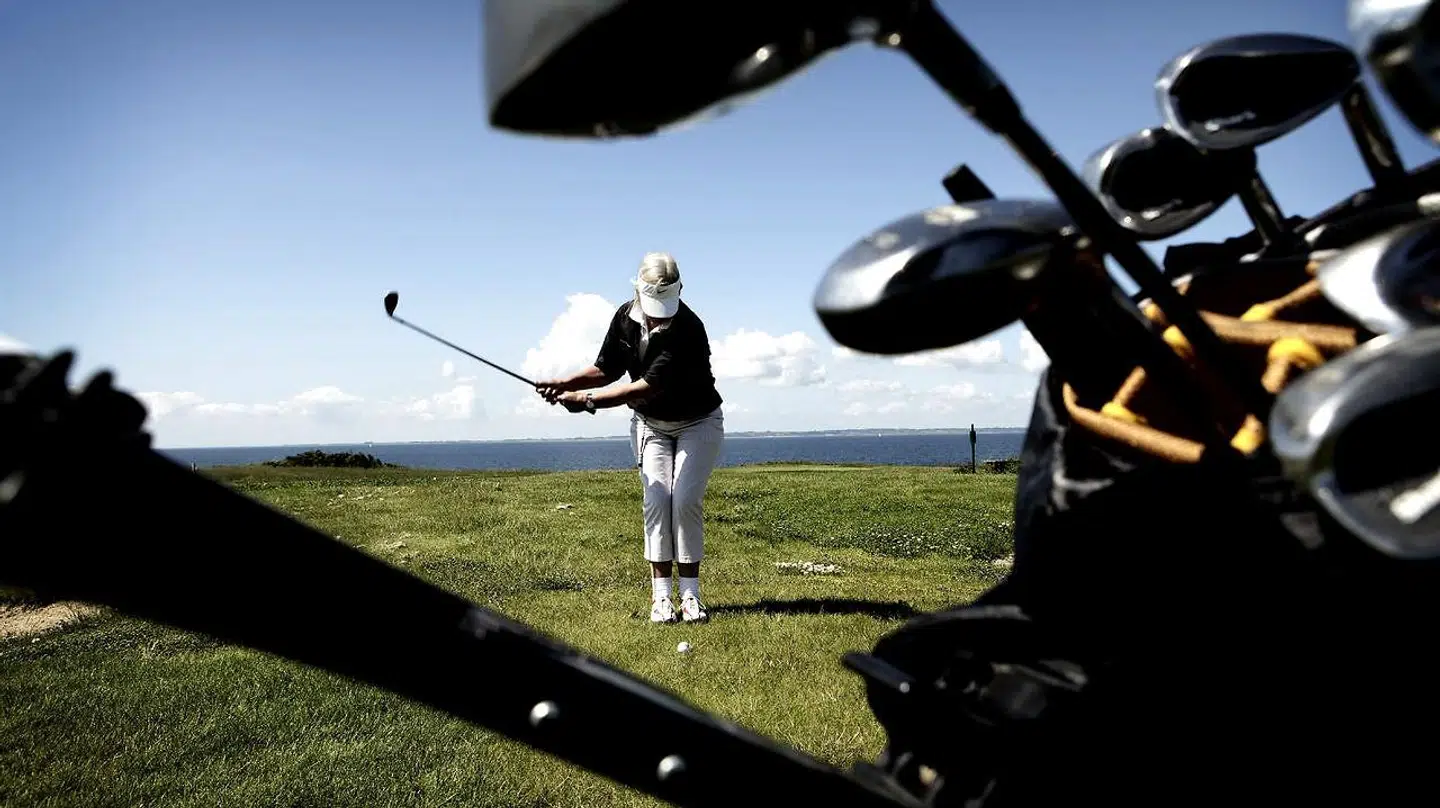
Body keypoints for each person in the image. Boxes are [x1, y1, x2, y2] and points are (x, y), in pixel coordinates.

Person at [535, 252, 725, 624]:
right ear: (638, 293)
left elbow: (644, 387)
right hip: (651, 425)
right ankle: (661, 598)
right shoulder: (624, 318)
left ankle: (690, 596)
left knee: (685, 500)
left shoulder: (688, 328)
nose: (659, 316)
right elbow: (606, 368)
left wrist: (586, 401)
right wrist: (565, 382)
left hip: (698, 422)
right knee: (657, 499)